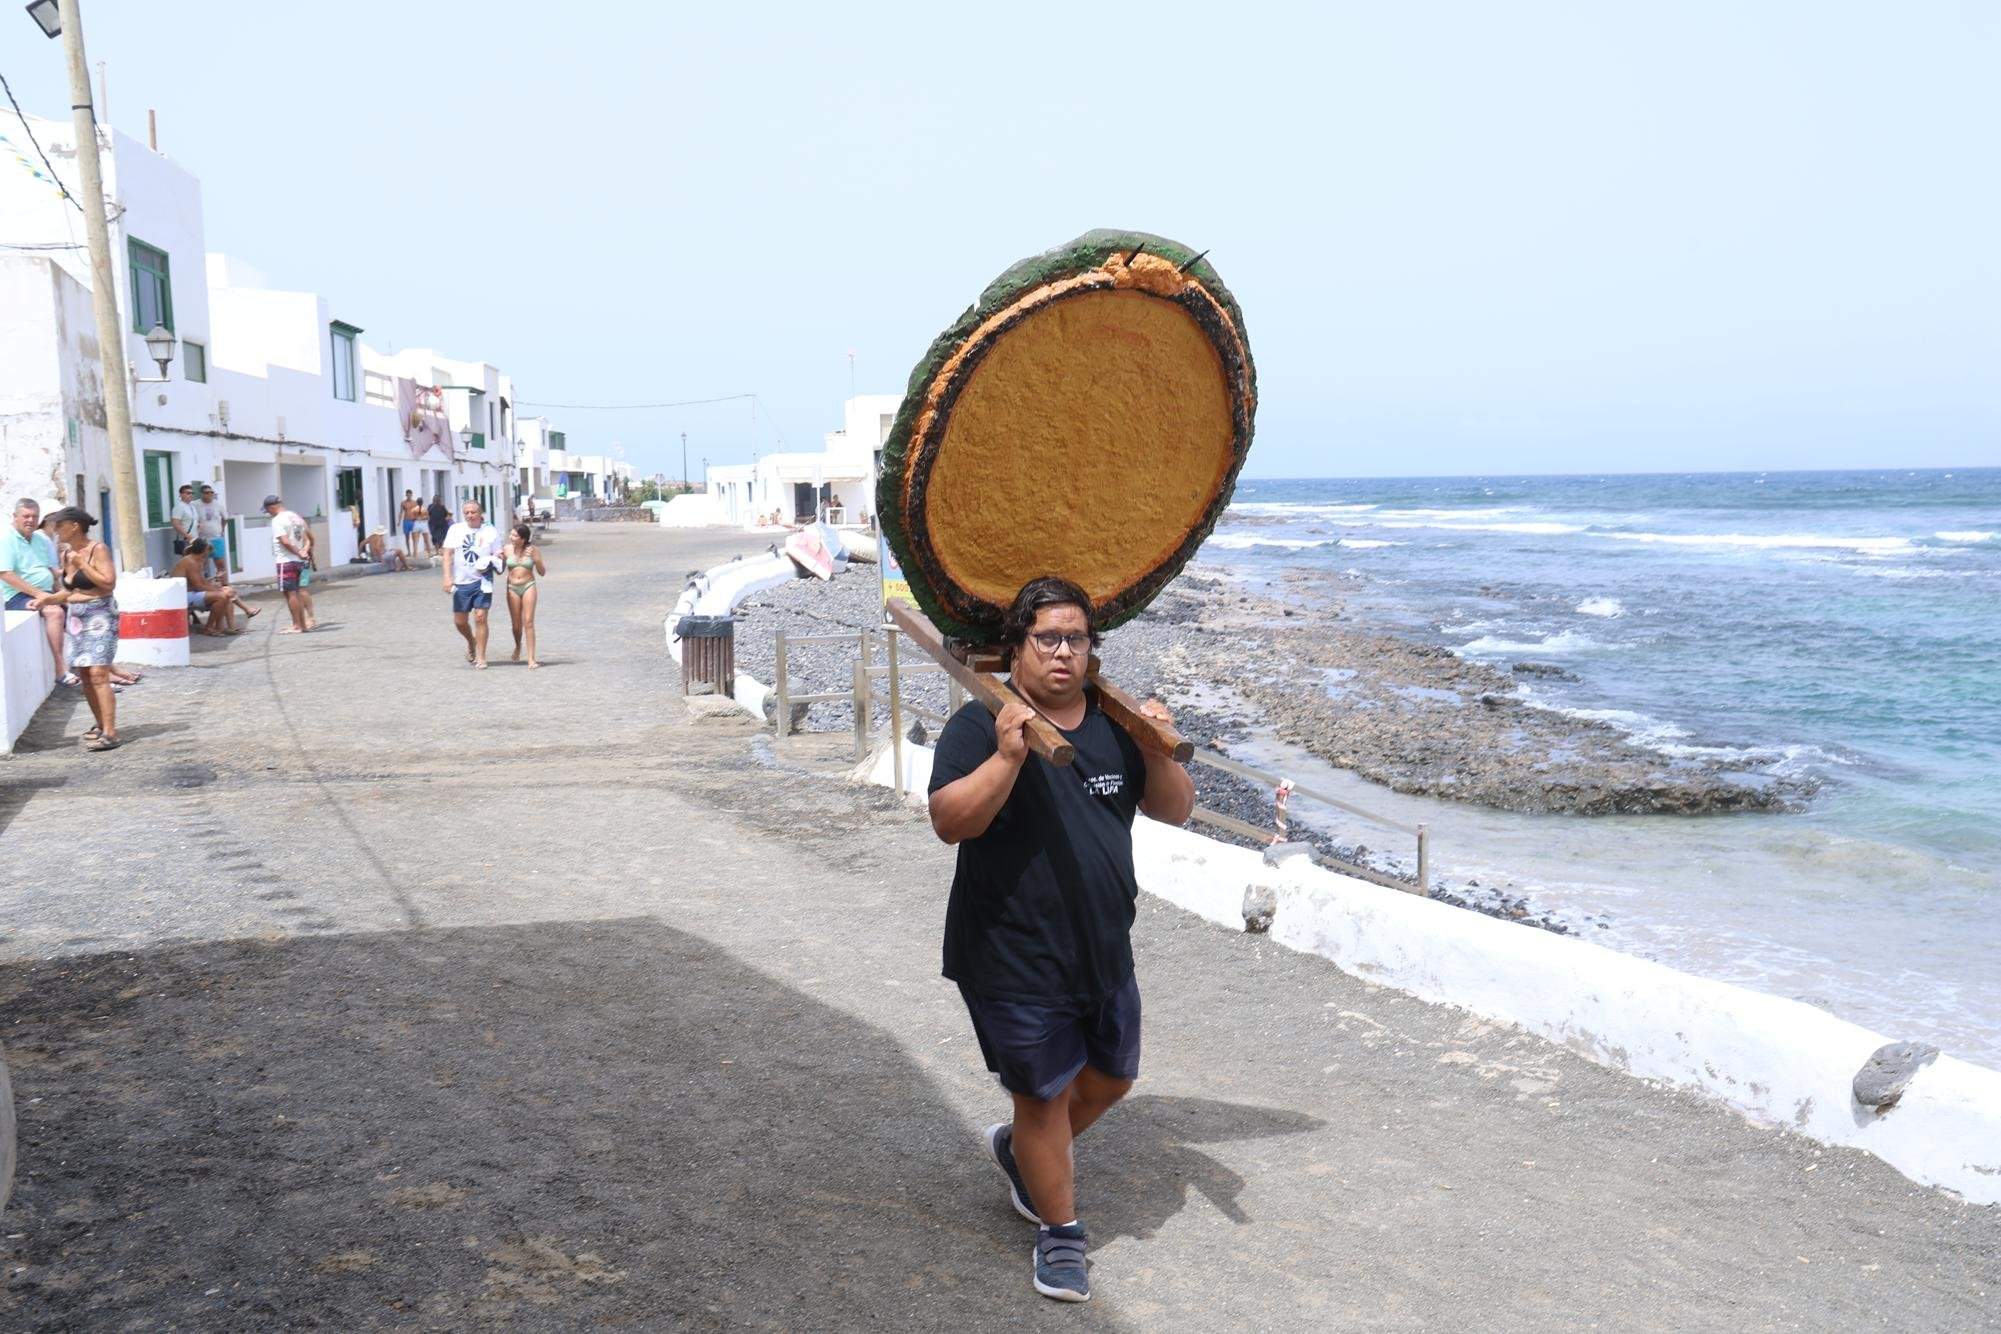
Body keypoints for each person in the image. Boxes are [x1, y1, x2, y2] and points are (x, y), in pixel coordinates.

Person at [926, 576, 1195, 1304]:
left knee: (1109, 1081)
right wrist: (1007, 760)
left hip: (1104, 948)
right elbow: (950, 822)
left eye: (1074, 638)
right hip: (1009, 952)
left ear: (1091, 648)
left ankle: (1022, 1153)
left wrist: (1160, 748)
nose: (1061, 652)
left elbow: (1171, 812)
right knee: (1041, 1098)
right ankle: (1060, 1234)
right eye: (1046, 638)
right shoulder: (980, 727)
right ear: (1014, 647)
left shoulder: (1114, 725)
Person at [32, 507, 122, 750]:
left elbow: (108, 583)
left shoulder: (97, 549)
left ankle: (111, 733)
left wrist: (83, 563)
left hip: (100, 616)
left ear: (74, 526)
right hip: (77, 618)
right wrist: (46, 599)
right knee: (85, 674)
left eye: (59, 525)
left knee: (98, 674)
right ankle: (101, 724)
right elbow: (70, 591)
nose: (56, 530)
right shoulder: (66, 555)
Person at [3, 498, 66, 682]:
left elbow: (48, 571)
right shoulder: (7, 539)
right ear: (15, 517)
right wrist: (39, 594)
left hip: (44, 591)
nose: (30, 520)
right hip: (17, 596)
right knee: (54, 612)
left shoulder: (39, 539)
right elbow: (5, 573)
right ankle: (60, 669)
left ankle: (102, 670)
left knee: (82, 607)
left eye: (34, 516)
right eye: (26, 516)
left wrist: (61, 594)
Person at [442, 499, 502, 669]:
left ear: (480, 513)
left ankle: (481, 656)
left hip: (483, 580)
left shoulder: (490, 531)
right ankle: (471, 641)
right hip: (461, 581)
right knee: (460, 622)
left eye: (473, 512)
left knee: (480, 617)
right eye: (466, 512)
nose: (470, 515)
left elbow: (498, 553)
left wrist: (498, 559)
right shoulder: (456, 529)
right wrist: (447, 577)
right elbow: (447, 554)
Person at [170, 540, 258, 634]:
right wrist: (219, 590)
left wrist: (218, 587)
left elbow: (202, 582)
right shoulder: (190, 562)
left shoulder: (198, 561)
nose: (209, 553)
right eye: (208, 550)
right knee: (222, 596)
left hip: (192, 592)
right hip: (182, 595)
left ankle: (229, 627)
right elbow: (198, 586)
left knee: (227, 592)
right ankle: (209, 627)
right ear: (204, 550)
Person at [264, 494, 312, 634]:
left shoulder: (278, 520)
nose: (268, 513)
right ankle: (302, 624)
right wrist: (304, 551)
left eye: (268, 510)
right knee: (297, 592)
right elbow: (307, 538)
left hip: (286, 560)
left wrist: (297, 552)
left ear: (272, 507)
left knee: (290, 594)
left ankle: (297, 625)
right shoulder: (295, 516)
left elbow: (284, 541)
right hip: (299, 561)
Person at [501, 522, 546, 668]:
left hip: (528, 586)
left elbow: (542, 572)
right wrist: (495, 558)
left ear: (523, 539)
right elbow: (499, 570)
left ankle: (531, 658)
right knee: (516, 625)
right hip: (512, 587)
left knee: (528, 622)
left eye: (514, 535)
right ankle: (518, 646)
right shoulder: (506, 549)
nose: (511, 537)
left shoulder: (532, 550)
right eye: (511, 534)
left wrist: (536, 559)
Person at [196, 485, 230, 582]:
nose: (210, 494)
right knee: (202, 564)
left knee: (220, 563)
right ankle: (203, 585)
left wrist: (222, 530)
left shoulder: (218, 505)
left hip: (216, 538)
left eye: (212, 492)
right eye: (207, 492)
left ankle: (224, 585)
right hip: (202, 539)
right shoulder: (195, 505)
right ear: (202, 494)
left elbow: (225, 518)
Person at [170, 483, 201, 557]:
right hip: (186, 539)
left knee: (196, 562)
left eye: (192, 493)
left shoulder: (192, 507)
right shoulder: (179, 507)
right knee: (189, 562)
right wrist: (188, 536)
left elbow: (194, 521)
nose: (191, 495)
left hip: (194, 538)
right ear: (181, 494)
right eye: (188, 493)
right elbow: (176, 524)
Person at [400, 490, 425, 558]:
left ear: (411, 495)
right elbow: (401, 512)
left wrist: (420, 519)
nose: (408, 496)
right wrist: (399, 521)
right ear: (406, 495)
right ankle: (409, 551)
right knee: (407, 537)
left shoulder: (415, 503)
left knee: (414, 537)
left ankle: (415, 551)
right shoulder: (403, 503)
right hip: (406, 521)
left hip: (413, 521)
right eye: (407, 495)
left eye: (409, 495)